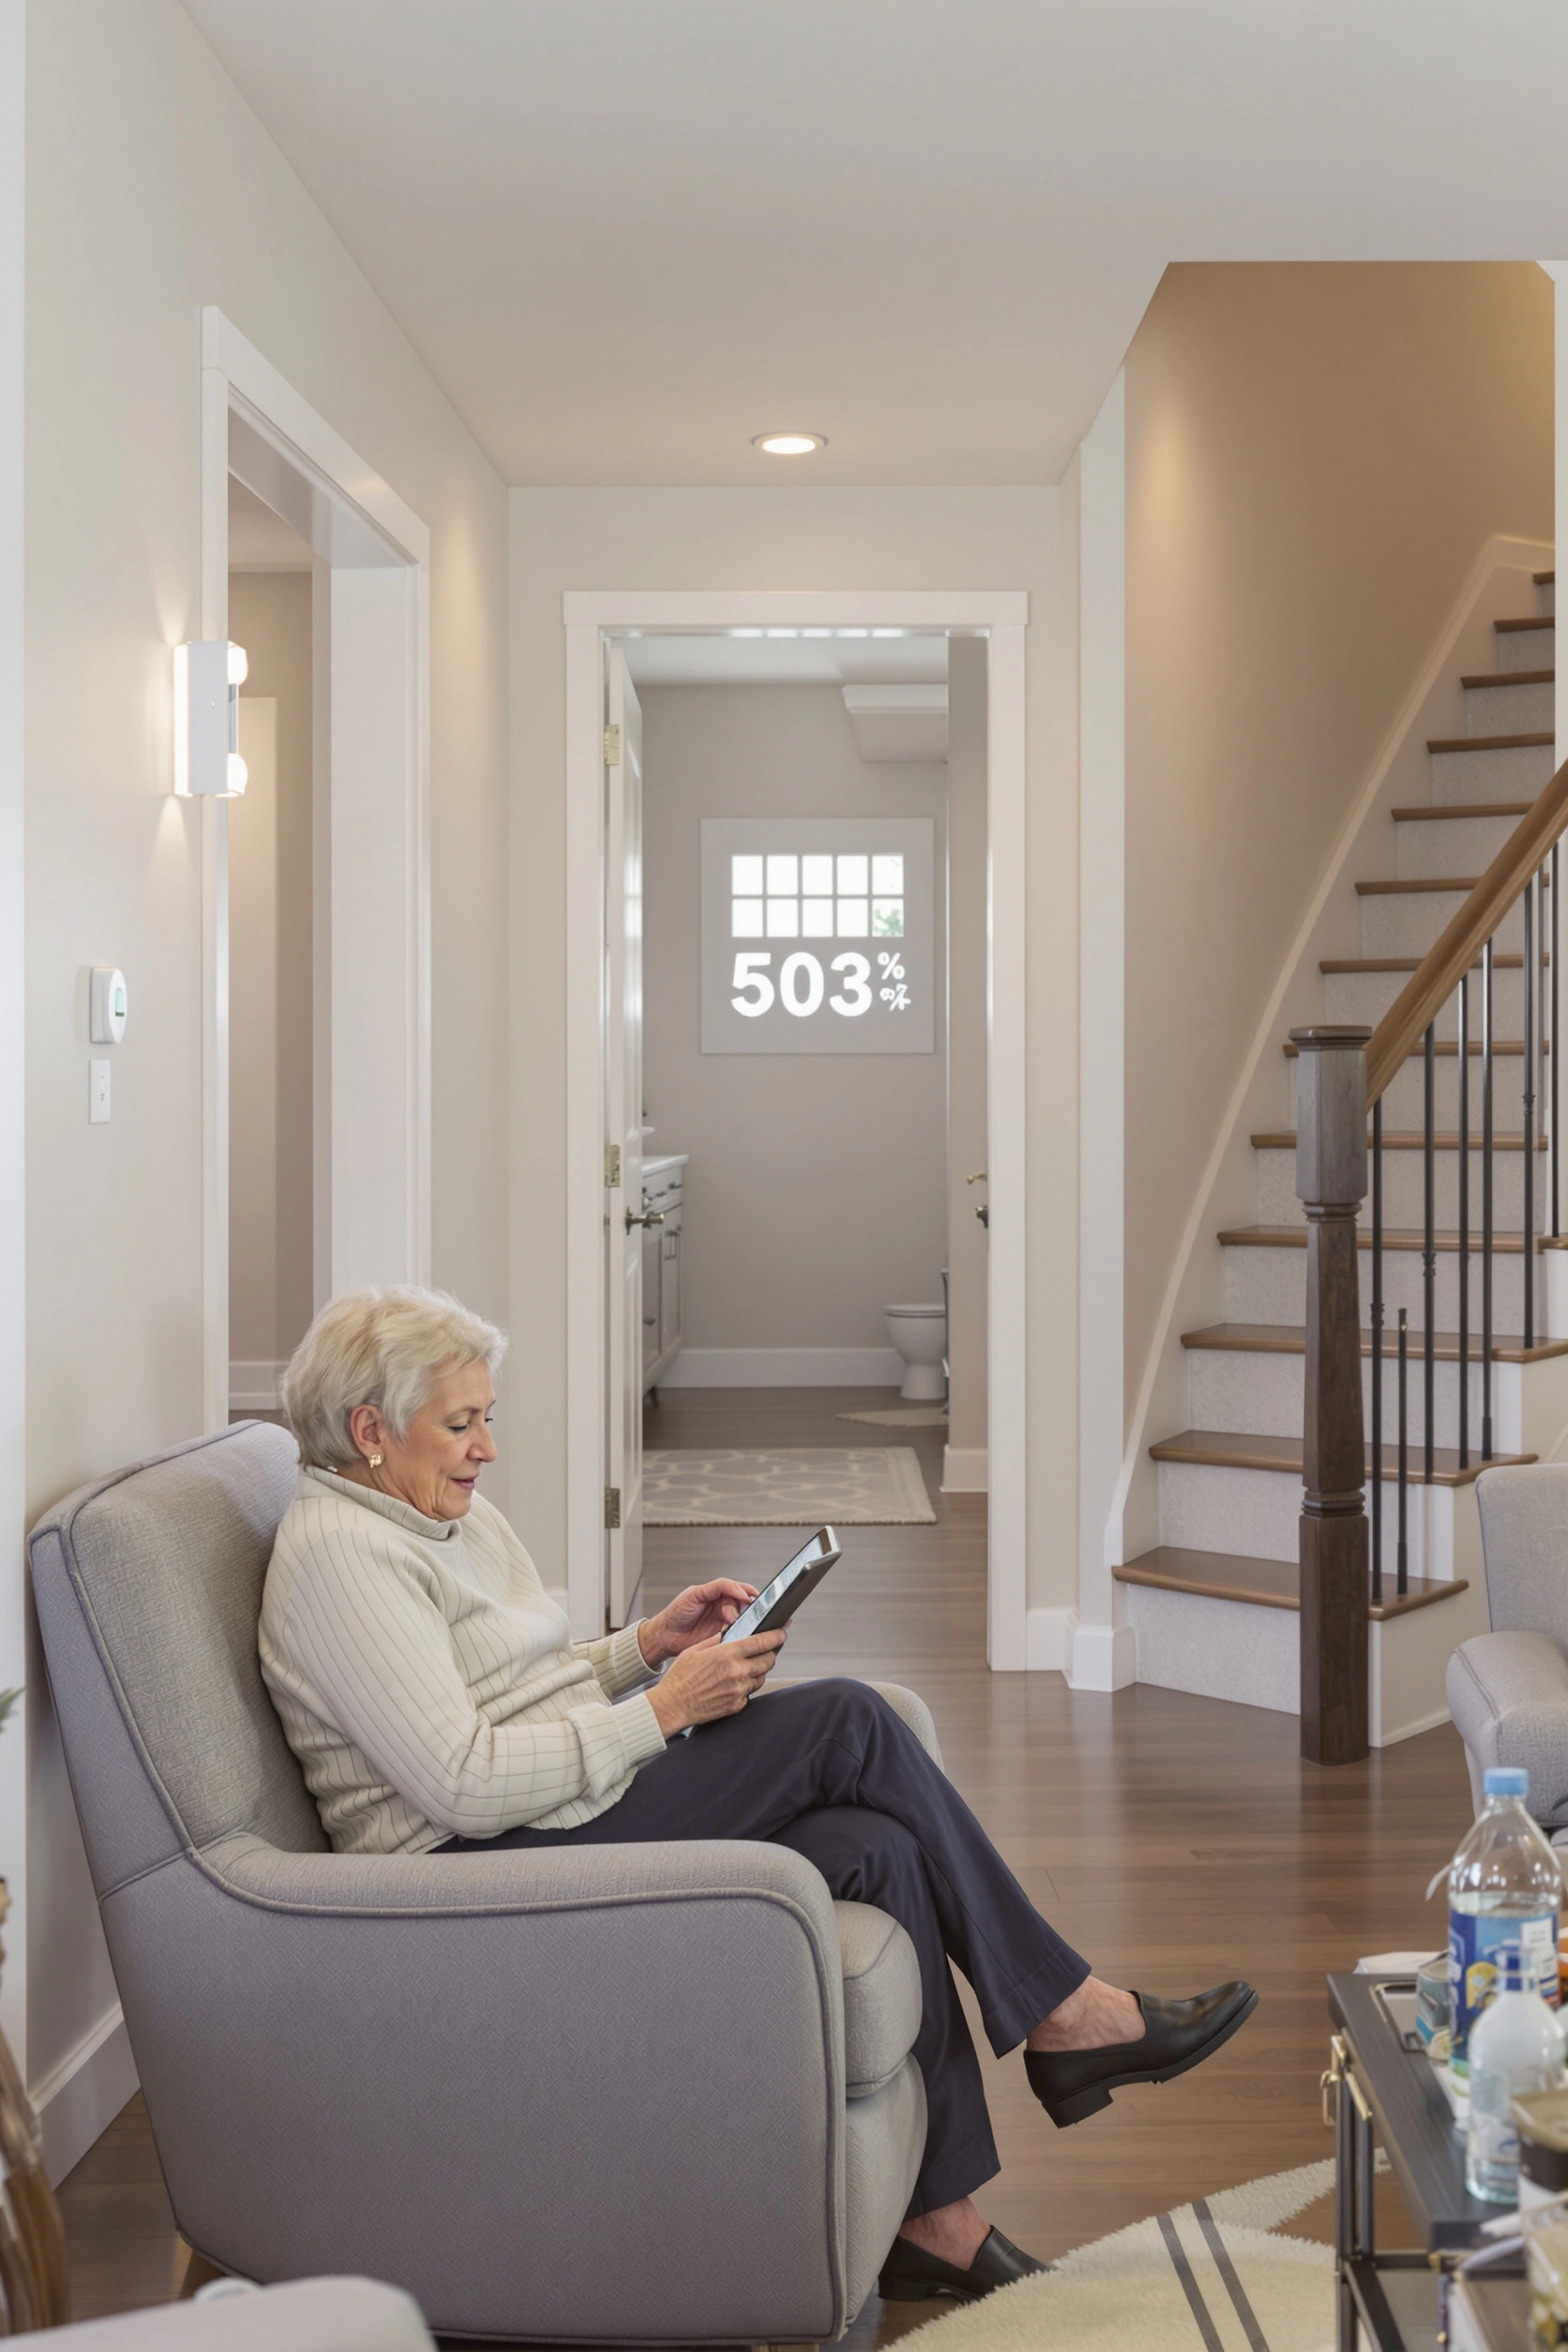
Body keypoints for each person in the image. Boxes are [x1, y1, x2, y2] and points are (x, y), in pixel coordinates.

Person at [260, 1285, 1257, 2307]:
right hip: (472, 1874)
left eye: (488, 1418)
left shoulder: (427, 1515)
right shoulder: (344, 1557)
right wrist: (665, 1712)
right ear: (369, 1430)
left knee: (881, 1846)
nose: (486, 1449)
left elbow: (506, 1686)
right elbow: (462, 1783)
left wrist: (646, 1646)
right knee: (846, 1721)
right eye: (461, 1424)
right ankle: (1066, 2017)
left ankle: (937, 2226)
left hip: (538, 1813)